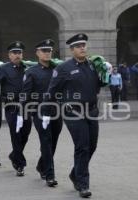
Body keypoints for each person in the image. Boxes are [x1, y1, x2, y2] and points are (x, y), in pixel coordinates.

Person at [42, 33, 105, 198]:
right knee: (82, 146)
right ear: (71, 50)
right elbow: (52, 91)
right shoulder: (63, 68)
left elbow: (97, 86)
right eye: (78, 46)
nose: (82, 48)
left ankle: (76, 173)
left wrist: (107, 74)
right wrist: (47, 113)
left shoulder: (92, 65)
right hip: (73, 112)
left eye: (84, 45)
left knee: (92, 146)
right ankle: (82, 185)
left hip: (91, 111)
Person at [19, 39, 63, 187]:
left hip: (56, 111)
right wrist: (23, 113)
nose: (47, 53)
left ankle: (41, 166)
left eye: (49, 51)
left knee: (54, 142)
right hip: (39, 112)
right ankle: (49, 175)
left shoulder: (57, 70)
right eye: (44, 51)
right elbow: (25, 94)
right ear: (37, 53)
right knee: (46, 141)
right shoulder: (31, 72)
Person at [0, 41, 32, 176]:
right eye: (15, 53)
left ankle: (14, 154)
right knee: (15, 134)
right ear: (9, 55)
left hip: (26, 106)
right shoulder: (3, 68)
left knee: (26, 133)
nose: (17, 55)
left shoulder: (27, 68)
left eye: (20, 53)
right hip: (12, 106)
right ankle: (19, 164)